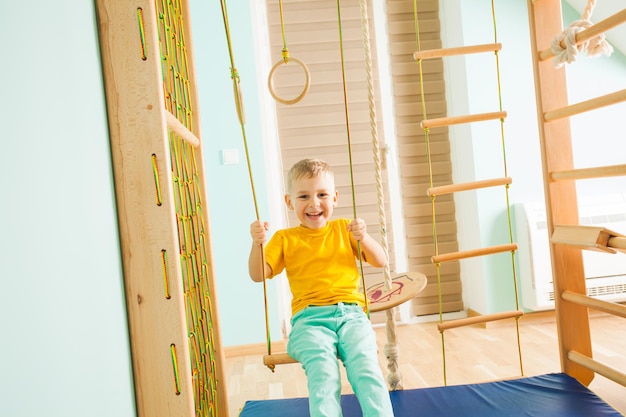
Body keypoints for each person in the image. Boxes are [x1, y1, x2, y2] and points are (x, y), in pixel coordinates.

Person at [248, 158, 395, 417]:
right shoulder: (285, 239)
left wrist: (365, 237)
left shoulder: (344, 229)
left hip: (351, 315)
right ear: (289, 202)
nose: (314, 203)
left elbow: (380, 260)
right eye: (304, 196)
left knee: (367, 369)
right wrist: (256, 244)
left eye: (322, 194)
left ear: (335, 198)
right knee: (324, 374)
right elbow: (258, 274)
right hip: (309, 321)